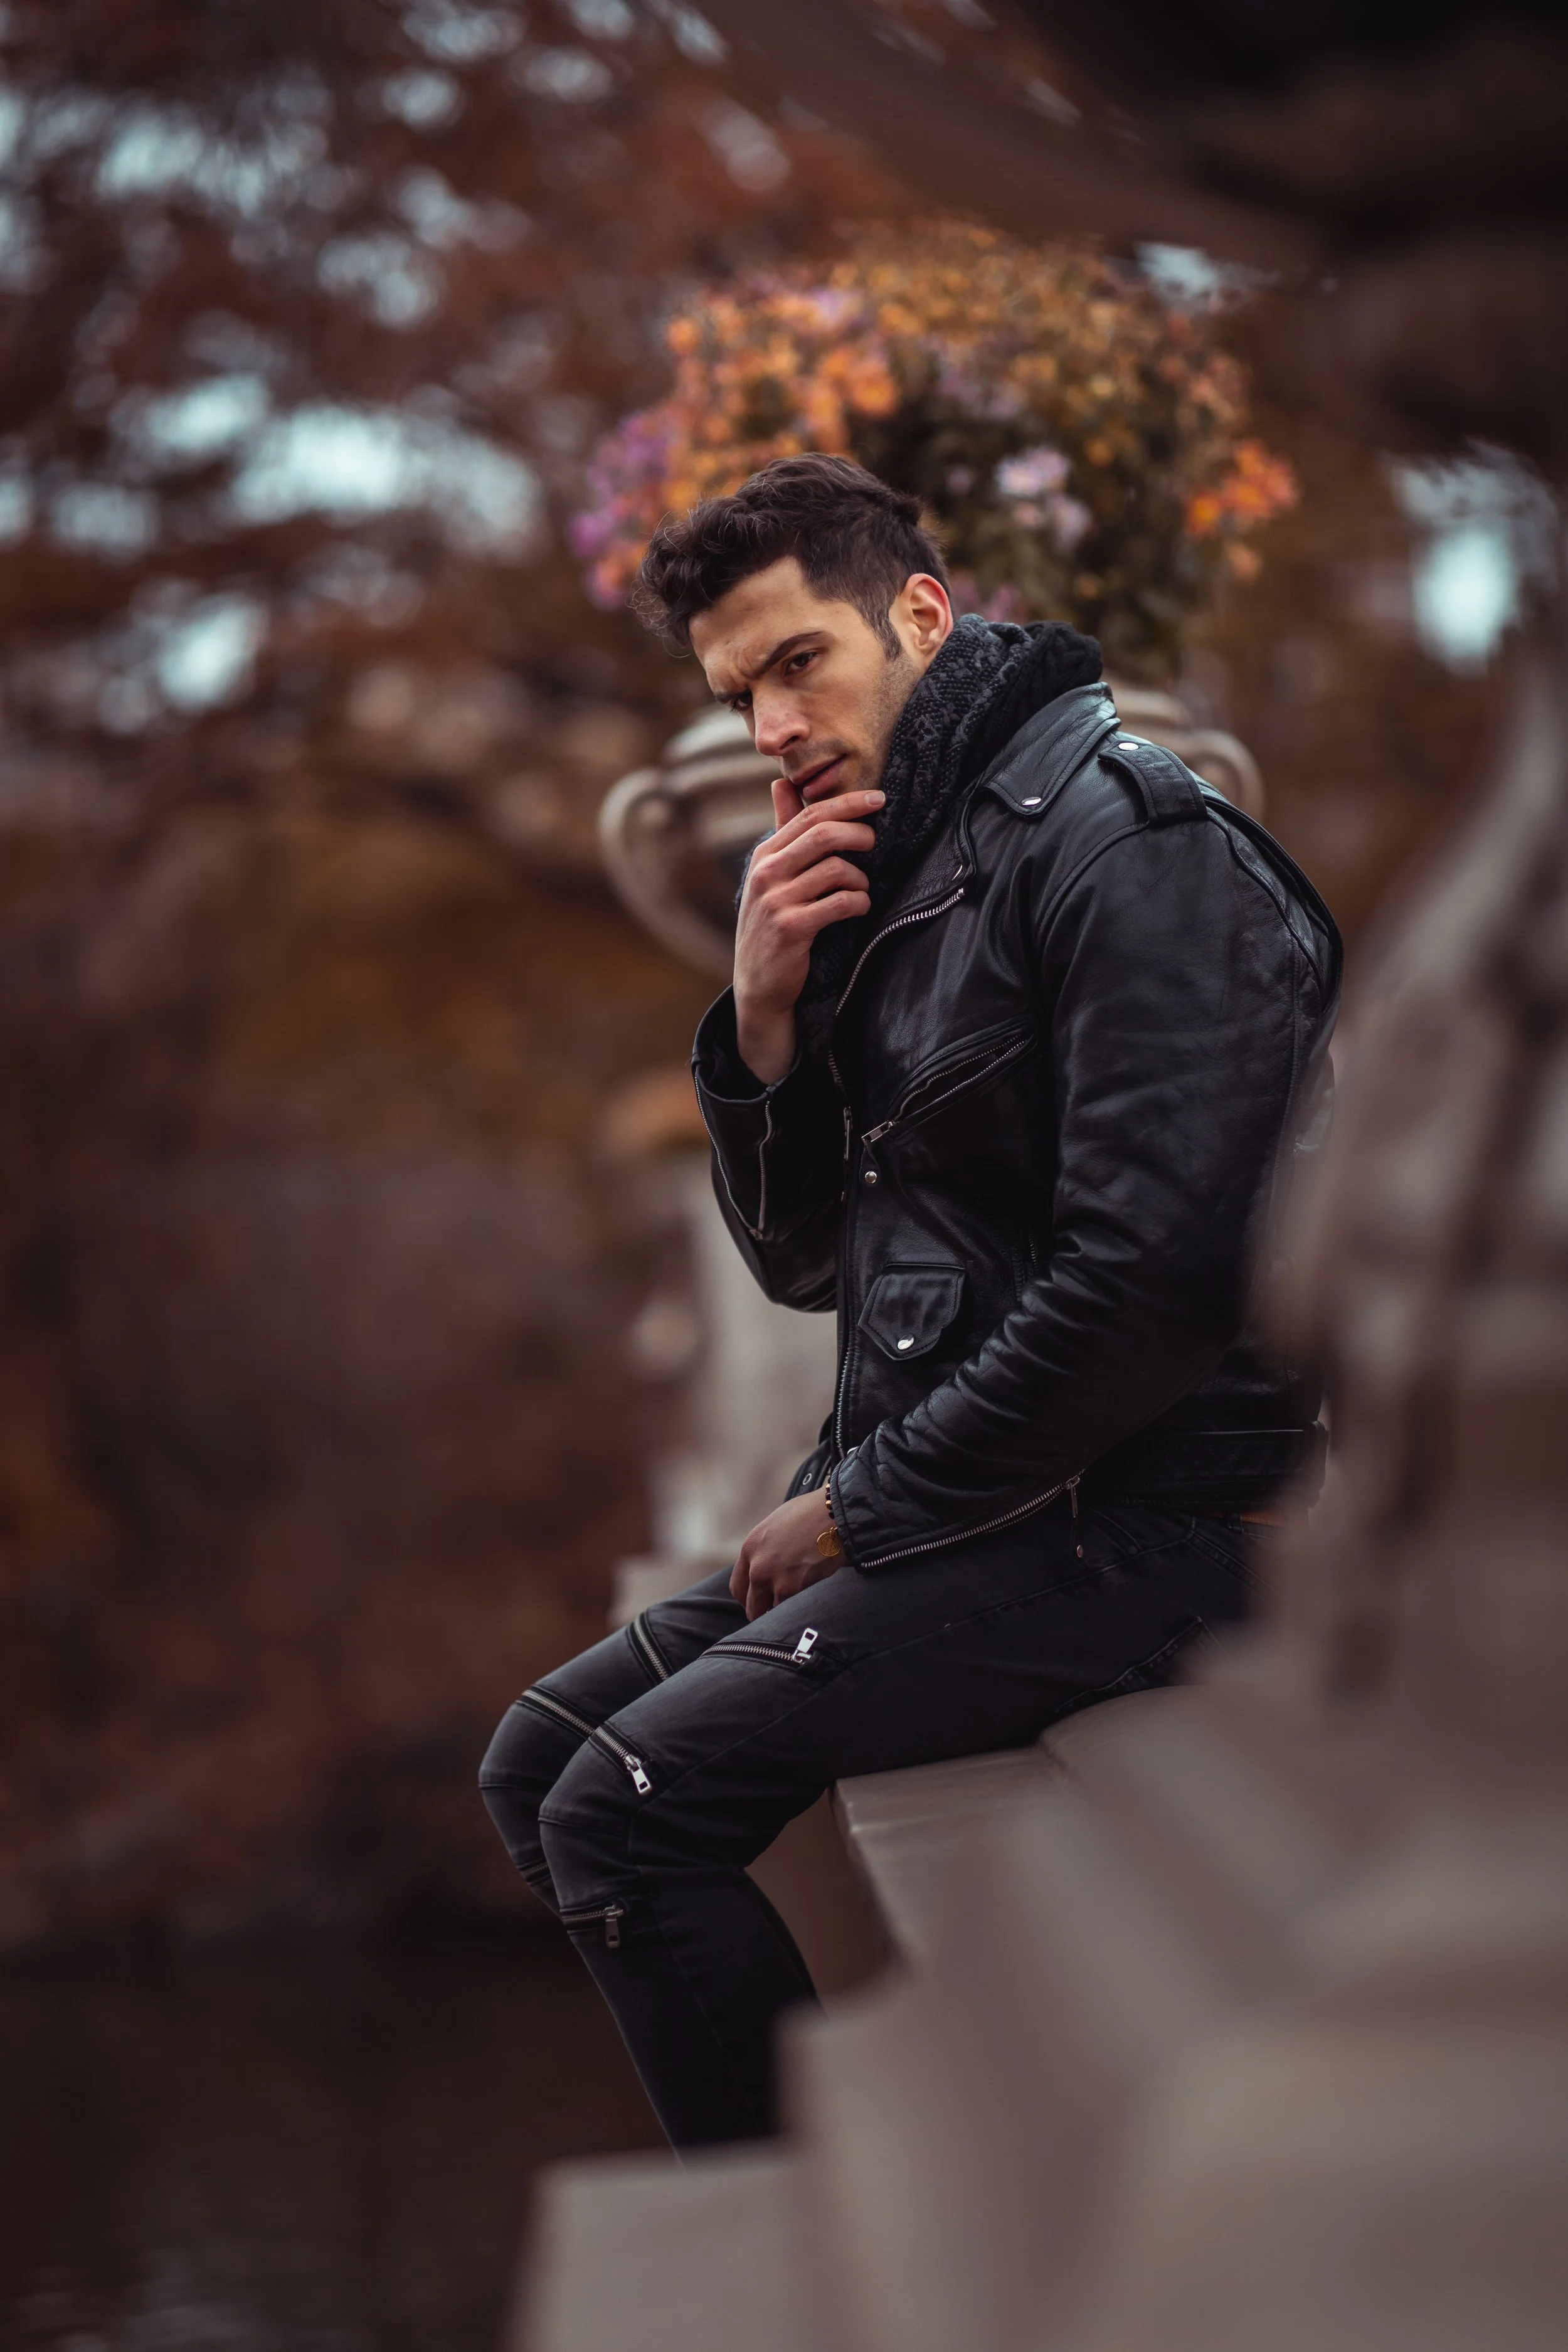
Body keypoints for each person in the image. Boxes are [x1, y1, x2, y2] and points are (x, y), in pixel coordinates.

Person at [480, 453, 1340, 2149]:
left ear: (922, 616)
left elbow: (1152, 1283)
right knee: (539, 1758)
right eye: (737, 694)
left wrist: (863, 1507)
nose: (767, 725)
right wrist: (758, 1029)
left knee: (626, 1810)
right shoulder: (908, 866)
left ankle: (802, 2217)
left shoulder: (1128, 843)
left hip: (1155, 1522)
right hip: (1004, 1507)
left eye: (798, 661)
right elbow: (814, 1261)